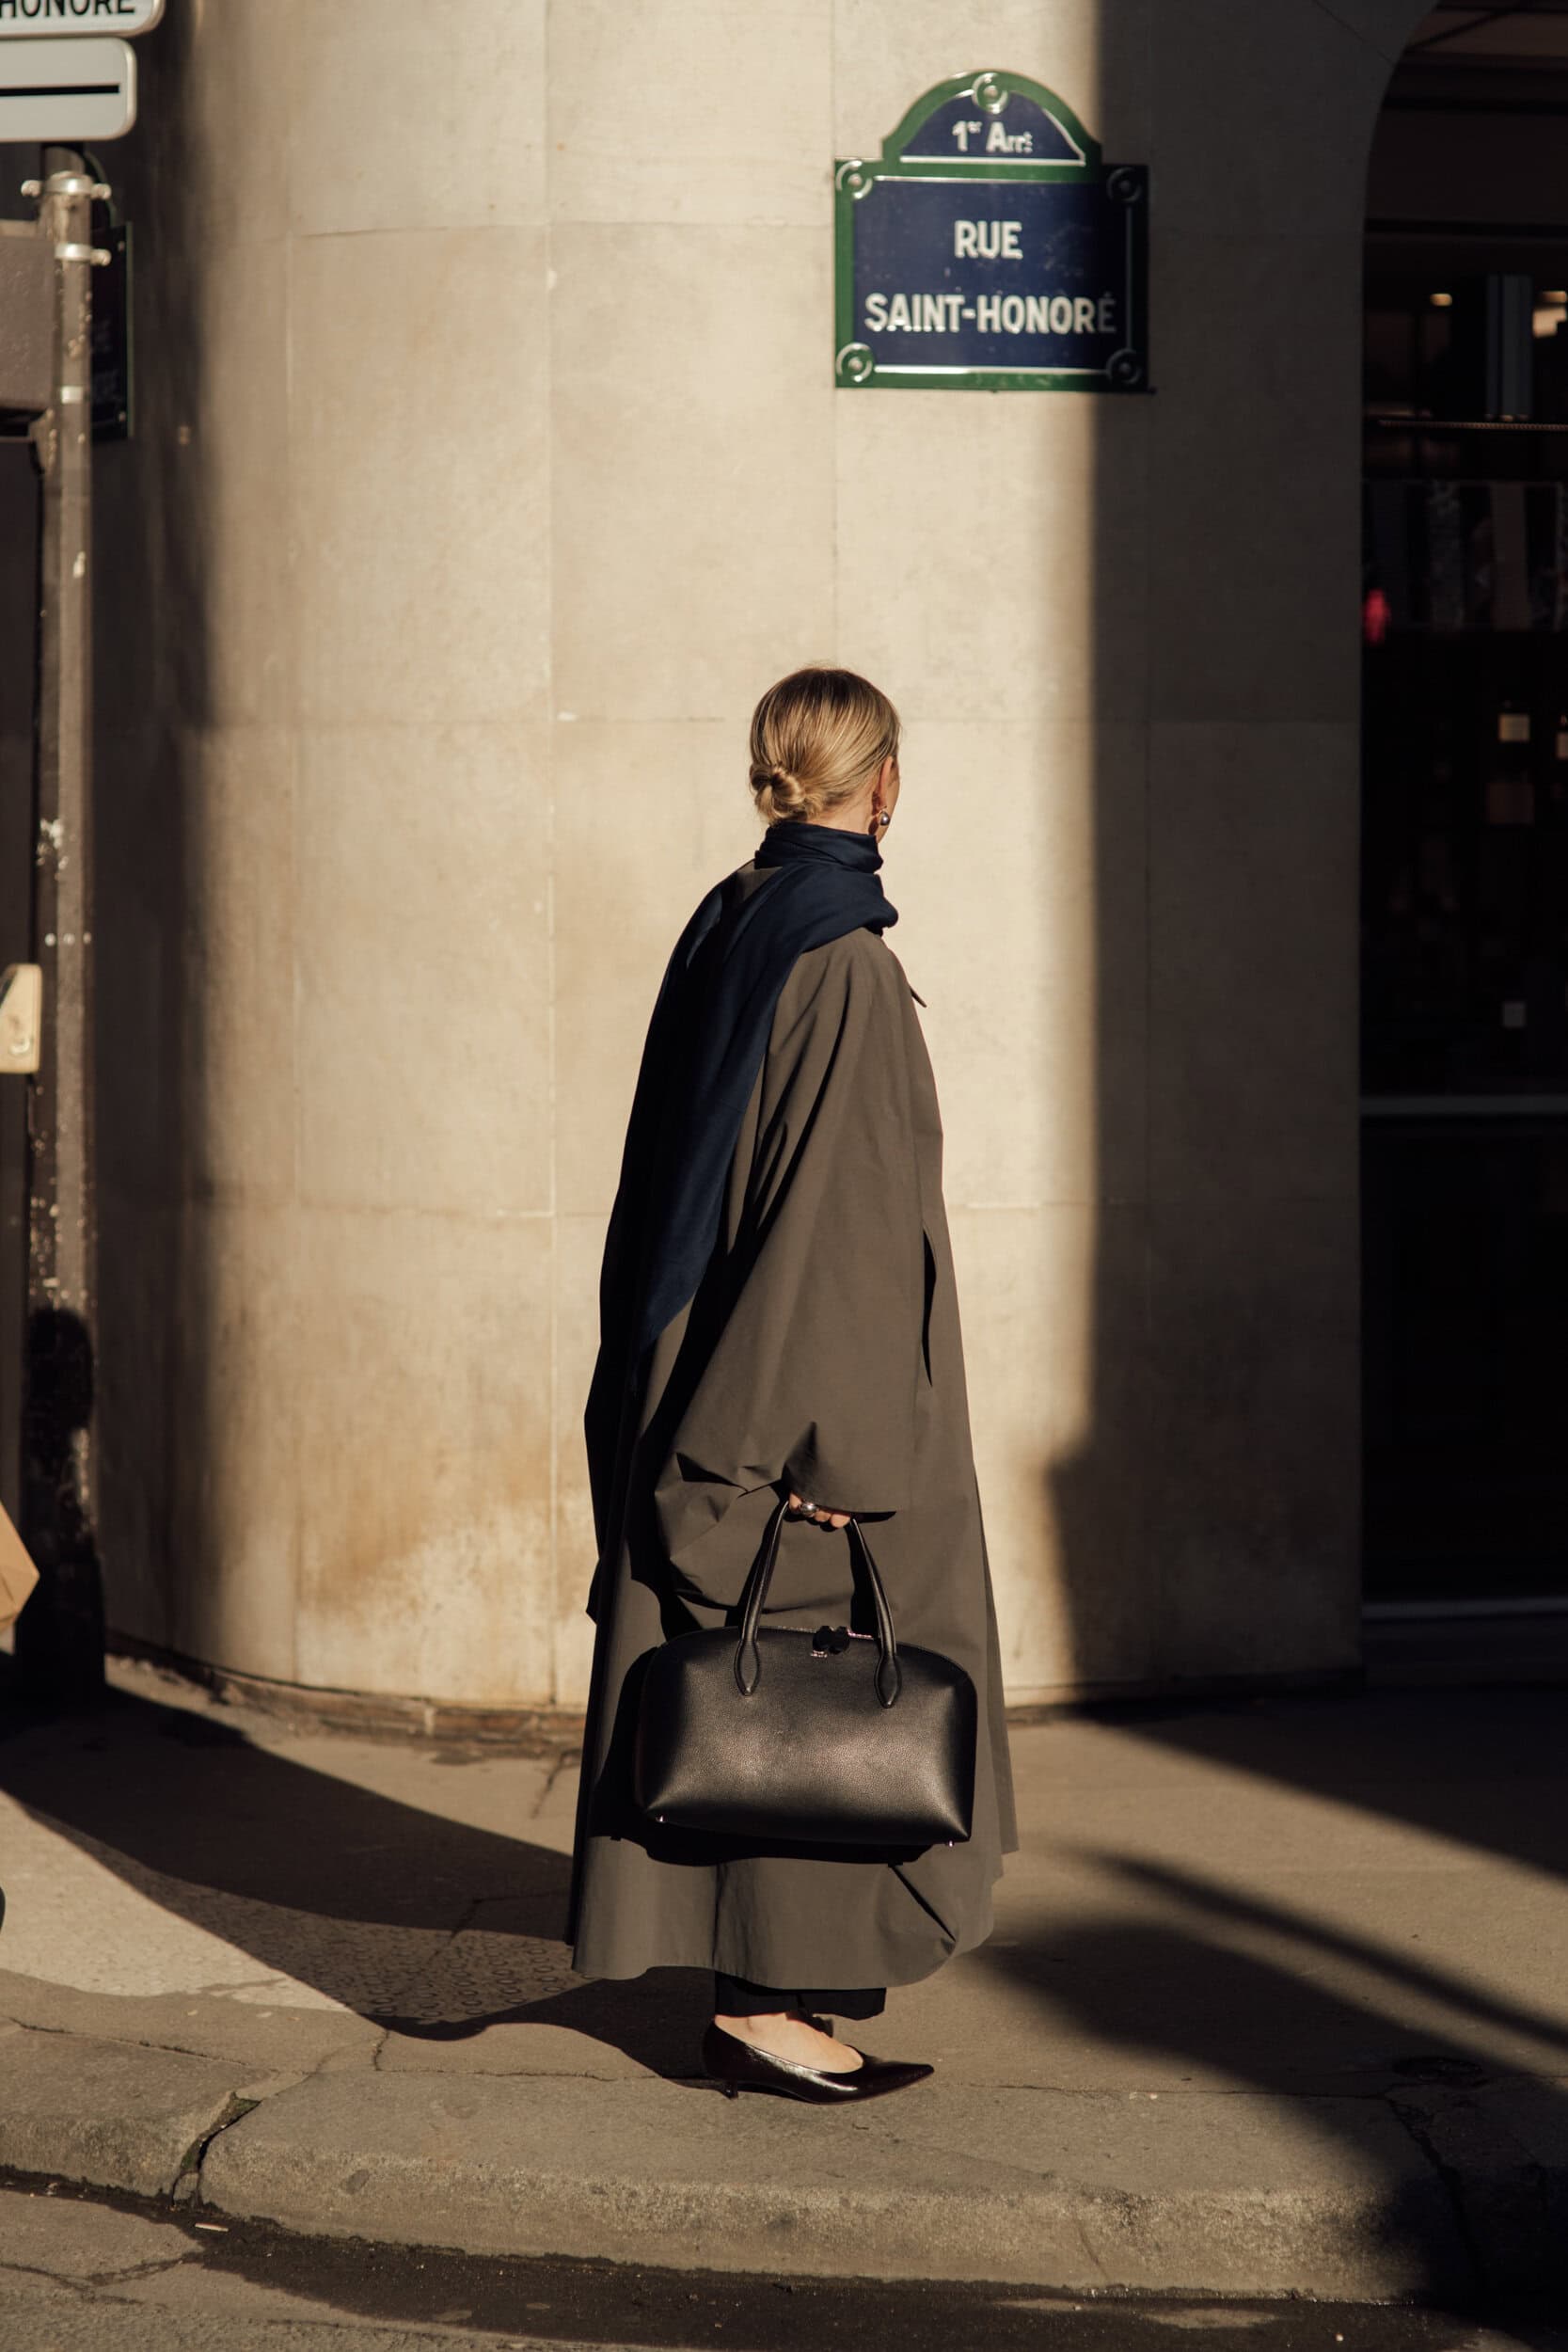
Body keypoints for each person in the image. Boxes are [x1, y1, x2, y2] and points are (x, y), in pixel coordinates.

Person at [567, 664, 1016, 2106]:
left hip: (716, 1362)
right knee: (811, 1704)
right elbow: (836, 1233)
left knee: (762, 1695)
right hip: (801, 1395)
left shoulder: (740, 916)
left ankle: (771, 1995)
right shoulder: (845, 962)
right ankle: (767, 2008)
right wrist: (832, 1454)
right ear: (884, 784)